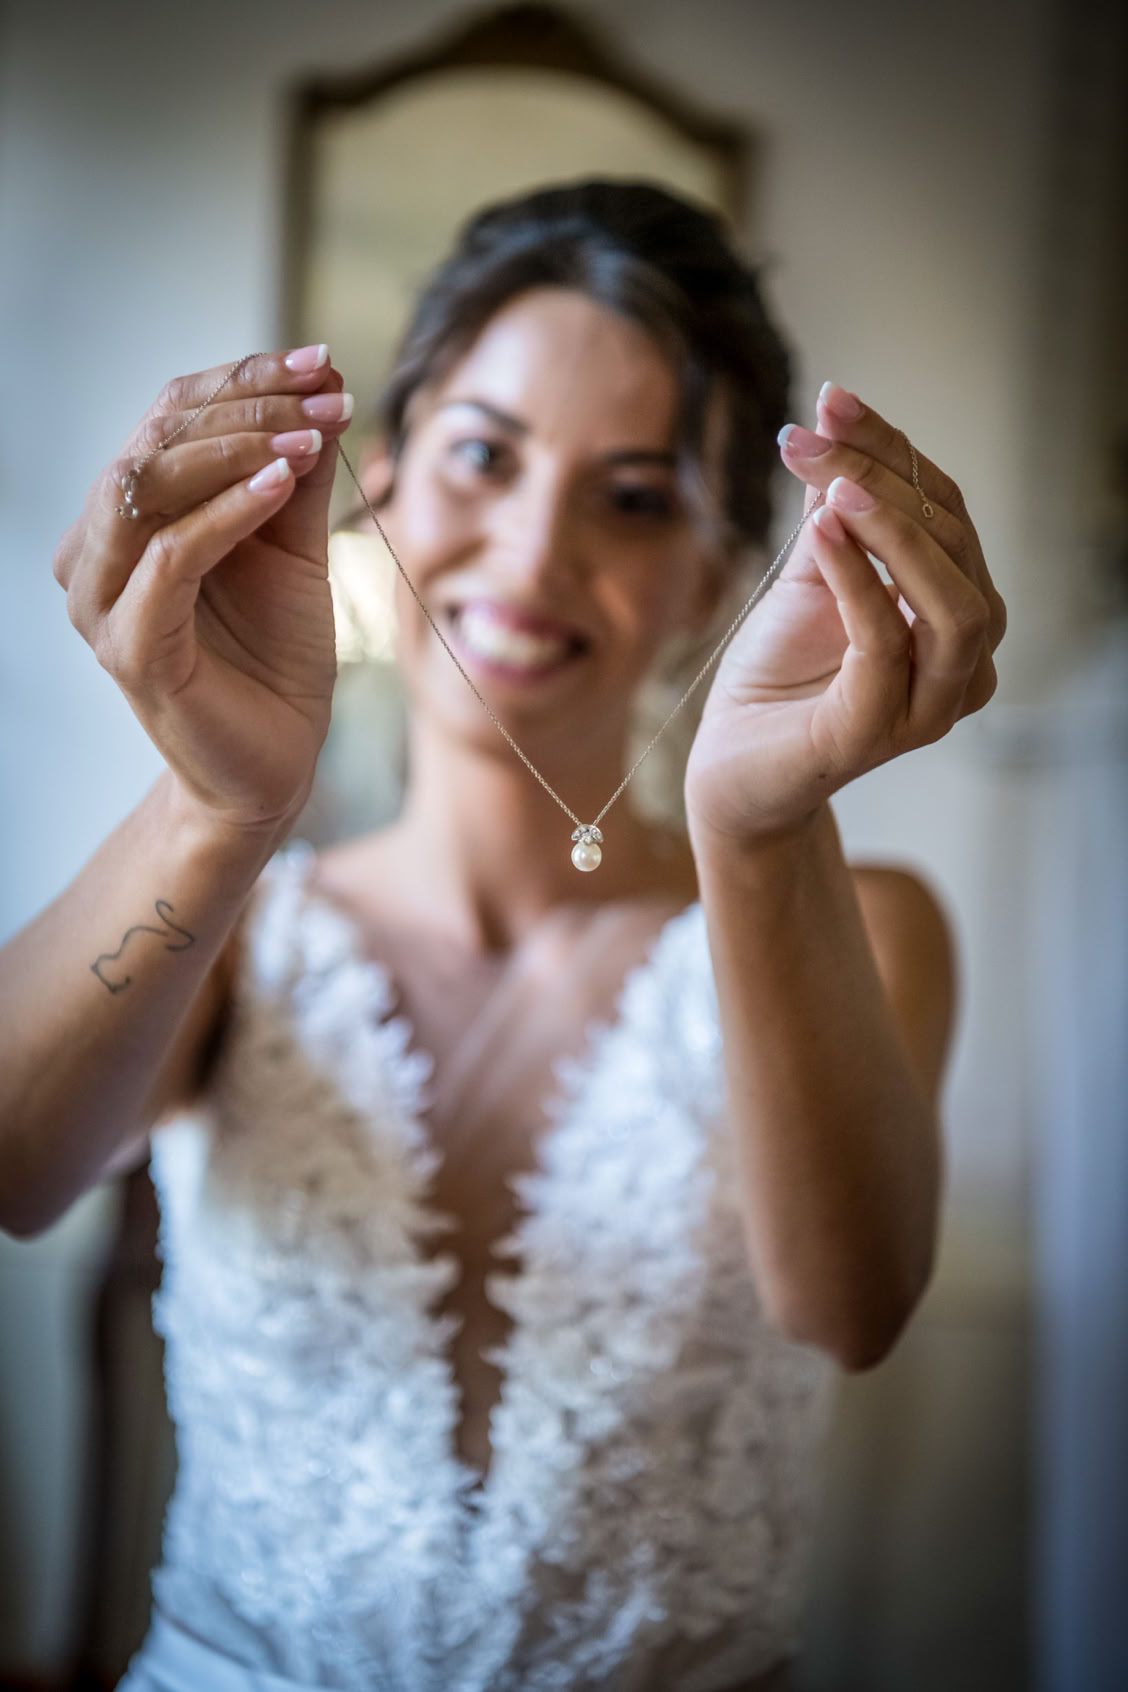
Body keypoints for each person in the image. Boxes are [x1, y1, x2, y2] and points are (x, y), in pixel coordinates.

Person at [0, 180, 1004, 1692]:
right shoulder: (236, 923)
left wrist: (760, 823)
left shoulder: (862, 917)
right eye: (484, 456)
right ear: (380, 484)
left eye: (637, 494)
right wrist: (218, 806)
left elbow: (850, 1306)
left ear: (715, 585)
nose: (533, 555)